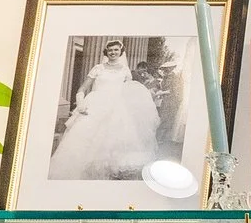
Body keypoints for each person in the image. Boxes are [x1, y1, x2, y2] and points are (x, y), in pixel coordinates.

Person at [47, 38, 169, 181]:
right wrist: (80, 103)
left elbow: (129, 91)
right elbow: (82, 88)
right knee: (84, 140)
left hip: (116, 108)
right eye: (110, 50)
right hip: (96, 105)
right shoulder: (98, 68)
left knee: (112, 143)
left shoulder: (125, 70)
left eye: (116, 50)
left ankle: (105, 178)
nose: (113, 52)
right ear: (106, 52)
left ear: (120, 52)